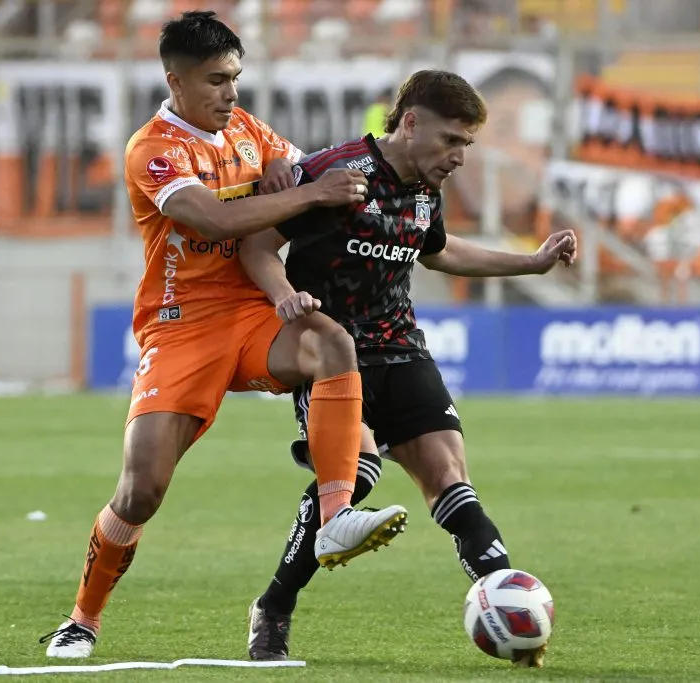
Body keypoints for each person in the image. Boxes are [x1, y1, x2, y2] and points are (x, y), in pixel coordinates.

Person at [39, 11, 408, 659]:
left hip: (254, 313)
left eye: (235, 78)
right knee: (140, 490)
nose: (230, 94)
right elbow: (209, 214)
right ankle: (82, 618)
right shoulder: (152, 148)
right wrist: (304, 195)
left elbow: (304, 173)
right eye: (215, 81)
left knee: (332, 344)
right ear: (174, 80)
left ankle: (335, 514)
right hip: (181, 328)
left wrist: (313, 184)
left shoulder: (246, 130)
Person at [238, 70, 577, 668]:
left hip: (402, 349)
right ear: (411, 122)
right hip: (332, 355)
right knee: (358, 473)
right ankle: (274, 605)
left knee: (451, 480)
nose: (459, 157)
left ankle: (508, 608)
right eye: (452, 141)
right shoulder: (336, 173)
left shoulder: (425, 189)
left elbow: (440, 251)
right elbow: (257, 245)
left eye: (467, 145)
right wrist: (282, 296)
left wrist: (531, 263)